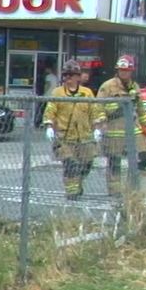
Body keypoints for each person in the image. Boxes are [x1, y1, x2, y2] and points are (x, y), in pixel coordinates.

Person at [43, 60, 103, 199]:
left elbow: (94, 111)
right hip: (64, 138)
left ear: (78, 77)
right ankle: (72, 193)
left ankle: (78, 183)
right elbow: (50, 111)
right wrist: (49, 126)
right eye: (65, 75)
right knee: (70, 164)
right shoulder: (57, 93)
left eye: (71, 75)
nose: (67, 78)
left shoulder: (87, 93)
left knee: (86, 164)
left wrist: (97, 128)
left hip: (85, 137)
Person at [97, 55, 146, 196]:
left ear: (131, 71)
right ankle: (114, 192)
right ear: (117, 70)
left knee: (141, 160)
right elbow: (98, 107)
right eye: (121, 70)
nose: (124, 73)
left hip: (133, 131)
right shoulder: (107, 86)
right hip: (114, 131)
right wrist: (102, 123)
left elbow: (140, 108)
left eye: (126, 70)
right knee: (114, 163)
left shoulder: (134, 86)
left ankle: (133, 189)